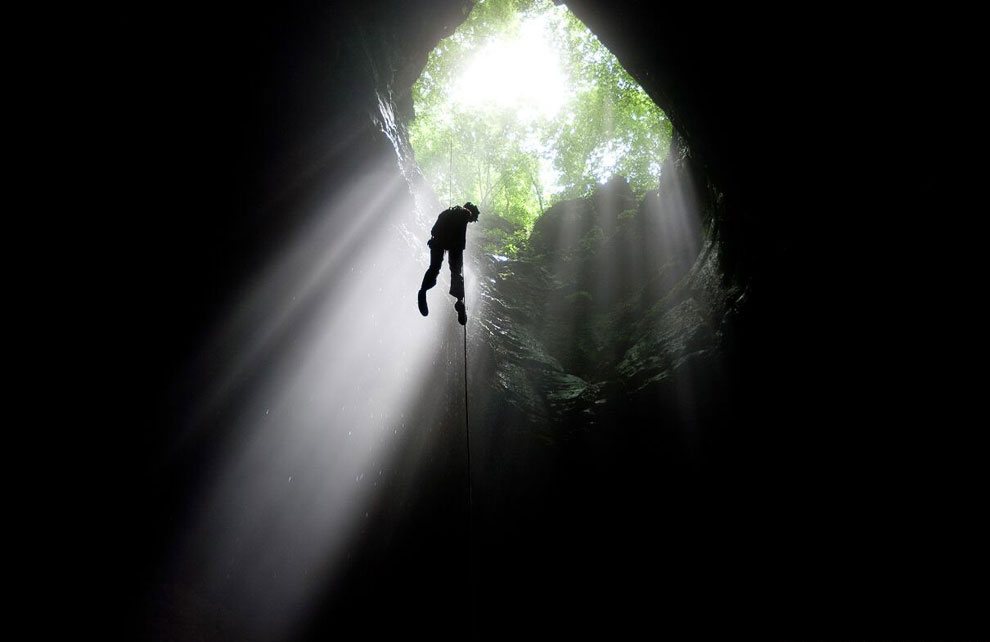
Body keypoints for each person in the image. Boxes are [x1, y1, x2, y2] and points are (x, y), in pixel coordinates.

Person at [418, 201, 480, 325]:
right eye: (473, 219)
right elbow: (459, 238)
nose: (471, 221)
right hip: (452, 246)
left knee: (434, 268)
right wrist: (460, 249)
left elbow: (436, 229)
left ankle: (423, 291)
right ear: (471, 212)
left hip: (437, 242)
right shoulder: (465, 213)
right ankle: (459, 301)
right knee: (456, 273)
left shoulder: (448, 212)